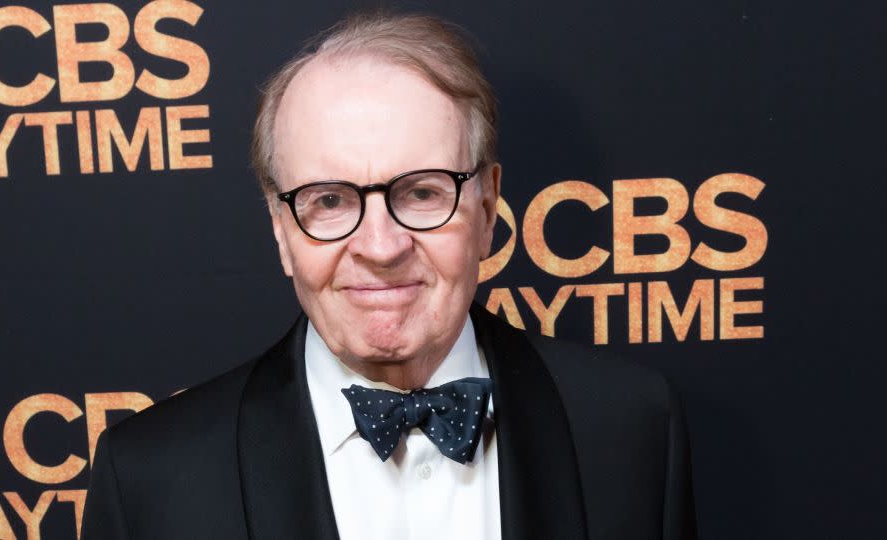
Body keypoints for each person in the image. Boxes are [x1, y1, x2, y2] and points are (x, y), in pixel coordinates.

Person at [82, 11, 697, 540]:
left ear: (487, 209)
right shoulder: (149, 481)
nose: (380, 246)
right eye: (329, 201)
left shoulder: (633, 428)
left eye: (423, 192)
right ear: (281, 230)